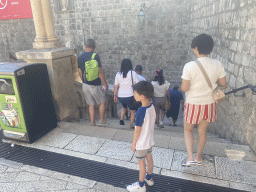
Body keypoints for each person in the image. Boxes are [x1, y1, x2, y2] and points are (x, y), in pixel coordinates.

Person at [181, 34, 227, 167]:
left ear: (196, 48)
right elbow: (223, 83)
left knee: (188, 130)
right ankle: (198, 157)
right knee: (202, 131)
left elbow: (184, 88)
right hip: (209, 104)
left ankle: (190, 157)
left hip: (193, 103)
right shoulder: (218, 64)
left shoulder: (189, 66)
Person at [126, 81, 156, 192]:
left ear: (142, 96)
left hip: (141, 143)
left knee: (141, 164)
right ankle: (149, 178)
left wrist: (134, 143)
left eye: (135, 93)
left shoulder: (140, 112)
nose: (134, 95)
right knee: (149, 159)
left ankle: (141, 185)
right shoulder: (152, 106)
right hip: (149, 141)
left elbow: (137, 130)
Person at [78, 39, 108, 126]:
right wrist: (105, 83)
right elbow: (100, 72)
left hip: (85, 85)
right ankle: (101, 121)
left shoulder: (80, 57)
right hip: (95, 85)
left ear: (85, 46)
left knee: (91, 104)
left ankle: (92, 122)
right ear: (94, 47)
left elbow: (79, 71)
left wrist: (83, 81)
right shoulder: (95, 56)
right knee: (102, 102)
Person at [113, 59, 138, 129]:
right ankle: (130, 126)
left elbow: (116, 86)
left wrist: (115, 95)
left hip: (121, 96)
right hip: (130, 95)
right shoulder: (133, 73)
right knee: (132, 111)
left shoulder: (118, 74)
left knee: (124, 106)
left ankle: (121, 119)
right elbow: (137, 84)